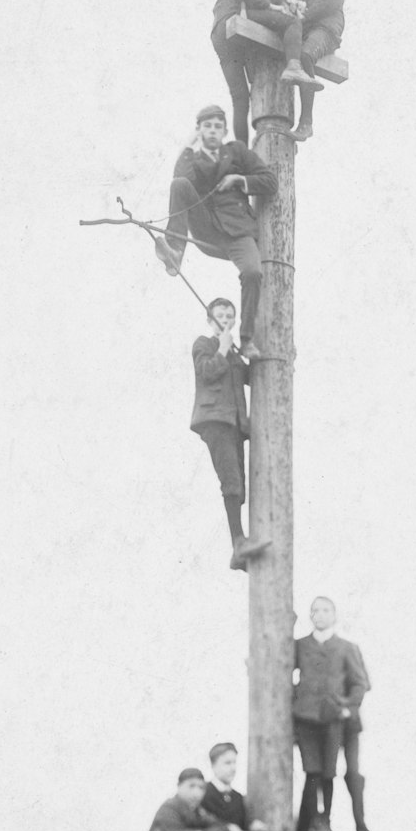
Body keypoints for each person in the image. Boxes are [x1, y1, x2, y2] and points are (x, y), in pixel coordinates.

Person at [153, 105, 277, 362]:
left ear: (224, 131)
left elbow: (269, 181)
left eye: (217, 126)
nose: (212, 131)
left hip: (238, 232)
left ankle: (247, 339)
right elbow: (180, 181)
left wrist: (239, 180)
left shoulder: (237, 152)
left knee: (253, 273)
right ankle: (175, 251)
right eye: (206, 126)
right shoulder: (195, 160)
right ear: (199, 130)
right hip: (207, 231)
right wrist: (188, 145)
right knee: (179, 184)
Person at [211, 0, 317, 145]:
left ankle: (241, 151)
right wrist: (273, 7)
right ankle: (294, 67)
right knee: (291, 25)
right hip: (233, 19)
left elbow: (270, 1)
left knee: (241, 99)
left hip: (227, 40)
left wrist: (285, 4)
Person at [190, 297, 271, 572]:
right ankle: (238, 542)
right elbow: (207, 372)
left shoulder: (234, 353)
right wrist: (223, 349)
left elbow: (252, 376)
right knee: (231, 480)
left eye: (229, 316)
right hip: (215, 419)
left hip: (235, 423)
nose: (225, 320)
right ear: (210, 320)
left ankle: (239, 553)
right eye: (220, 315)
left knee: (238, 481)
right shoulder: (205, 344)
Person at [292, 597, 371, 831]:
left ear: (334, 615)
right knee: (311, 768)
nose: (320, 615)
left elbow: (361, 683)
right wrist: (295, 696)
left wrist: (347, 707)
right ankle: (311, 821)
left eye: (326, 610)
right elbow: (282, 671)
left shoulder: (346, 647)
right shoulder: (300, 645)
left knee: (328, 770)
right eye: (315, 610)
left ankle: (324, 819)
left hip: (333, 718)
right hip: (306, 717)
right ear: (310, 616)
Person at [289, 0, 346, 145]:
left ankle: (306, 122)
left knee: (305, 55)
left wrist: (305, 15)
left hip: (326, 29)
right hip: (306, 31)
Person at [200, 741, 266, 831]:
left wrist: (252, 826)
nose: (233, 768)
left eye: (234, 762)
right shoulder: (203, 793)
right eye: (227, 763)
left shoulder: (237, 797)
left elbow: (242, 826)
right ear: (213, 765)